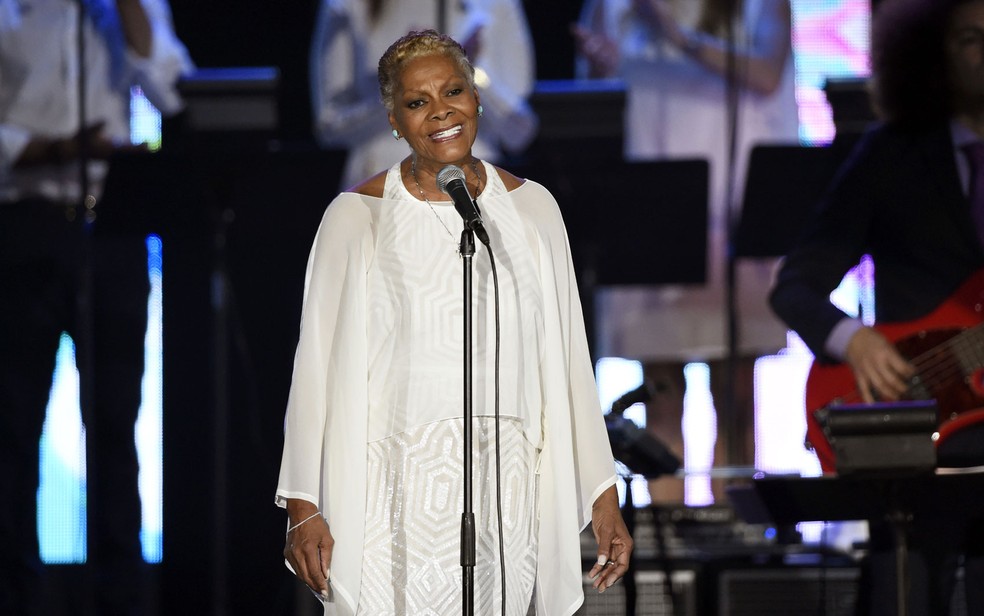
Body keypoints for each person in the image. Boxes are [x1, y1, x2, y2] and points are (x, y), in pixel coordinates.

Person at [276, 29, 632, 615]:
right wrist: (303, 505)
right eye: (418, 102)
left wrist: (601, 491)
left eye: (454, 91)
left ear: (477, 99)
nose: (440, 111)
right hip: (393, 495)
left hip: (507, 489)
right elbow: (312, 368)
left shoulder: (534, 210)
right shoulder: (355, 218)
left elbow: (569, 361)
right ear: (394, 119)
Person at [769, 0, 984, 613]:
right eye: (971, 38)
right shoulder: (892, 153)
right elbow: (795, 286)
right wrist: (854, 340)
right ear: (935, 53)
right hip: (914, 429)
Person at [0, 1, 192, 615]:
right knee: (12, 426)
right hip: (23, 220)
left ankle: (123, 599)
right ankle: (17, 597)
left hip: (113, 224)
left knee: (115, 423)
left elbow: (170, 89)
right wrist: (46, 149)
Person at [572, 0, 799, 502]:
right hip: (652, 198)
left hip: (730, 201)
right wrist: (599, 64)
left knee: (735, 390)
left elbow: (766, 73)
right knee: (661, 390)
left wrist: (678, 35)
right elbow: (596, 96)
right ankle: (670, 535)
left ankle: (738, 528)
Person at [310, 0, 539, 191]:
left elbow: (518, 131)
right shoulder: (349, 5)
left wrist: (468, 72)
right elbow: (329, 124)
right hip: (382, 187)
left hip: (472, 187)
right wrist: (404, 90)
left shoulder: (495, 5)